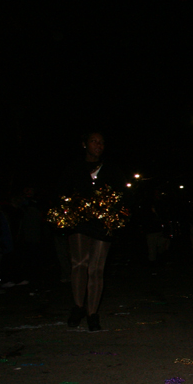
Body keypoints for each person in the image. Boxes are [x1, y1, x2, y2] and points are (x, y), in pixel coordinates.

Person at [59, 131, 122, 331]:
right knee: (79, 263)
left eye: (102, 142)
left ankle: (92, 313)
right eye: (94, 141)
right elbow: (63, 191)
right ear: (85, 144)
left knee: (96, 268)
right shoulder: (73, 167)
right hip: (80, 220)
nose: (99, 145)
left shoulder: (111, 169)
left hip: (102, 222)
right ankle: (78, 306)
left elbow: (121, 193)